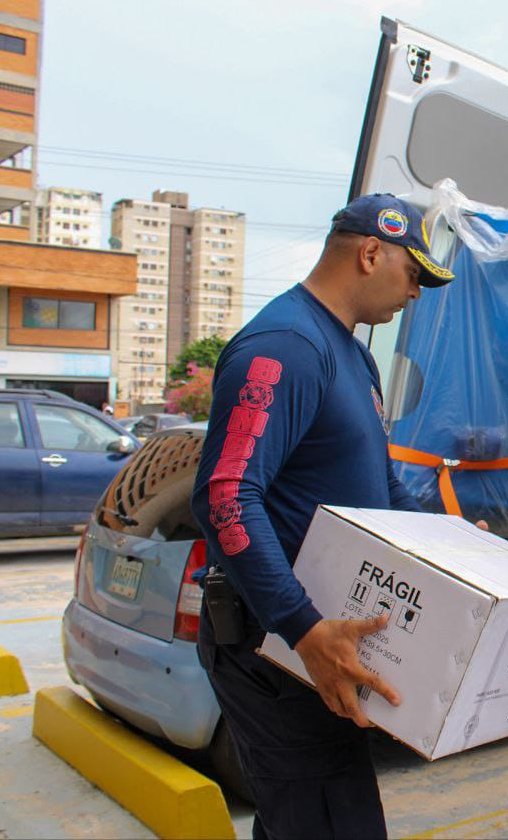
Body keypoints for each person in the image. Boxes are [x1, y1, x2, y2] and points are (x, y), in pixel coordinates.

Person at [190, 193, 456, 840]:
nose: (416, 294)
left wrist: (453, 546)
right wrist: (304, 627)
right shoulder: (284, 346)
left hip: (317, 645)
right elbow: (225, 495)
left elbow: (380, 482)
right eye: (414, 274)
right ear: (371, 253)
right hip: (278, 650)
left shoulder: (352, 355)